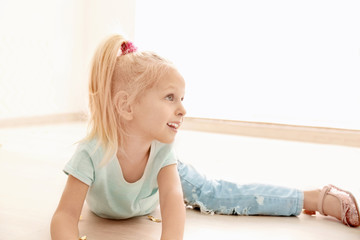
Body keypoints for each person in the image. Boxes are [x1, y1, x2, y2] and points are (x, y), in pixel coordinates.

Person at [50, 34, 360, 240]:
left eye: (182, 98)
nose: (183, 109)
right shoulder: (91, 153)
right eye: (170, 97)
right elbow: (64, 217)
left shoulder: (162, 154)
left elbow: (172, 207)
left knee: (215, 193)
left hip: (165, 174)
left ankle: (313, 197)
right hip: (133, 188)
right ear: (126, 106)